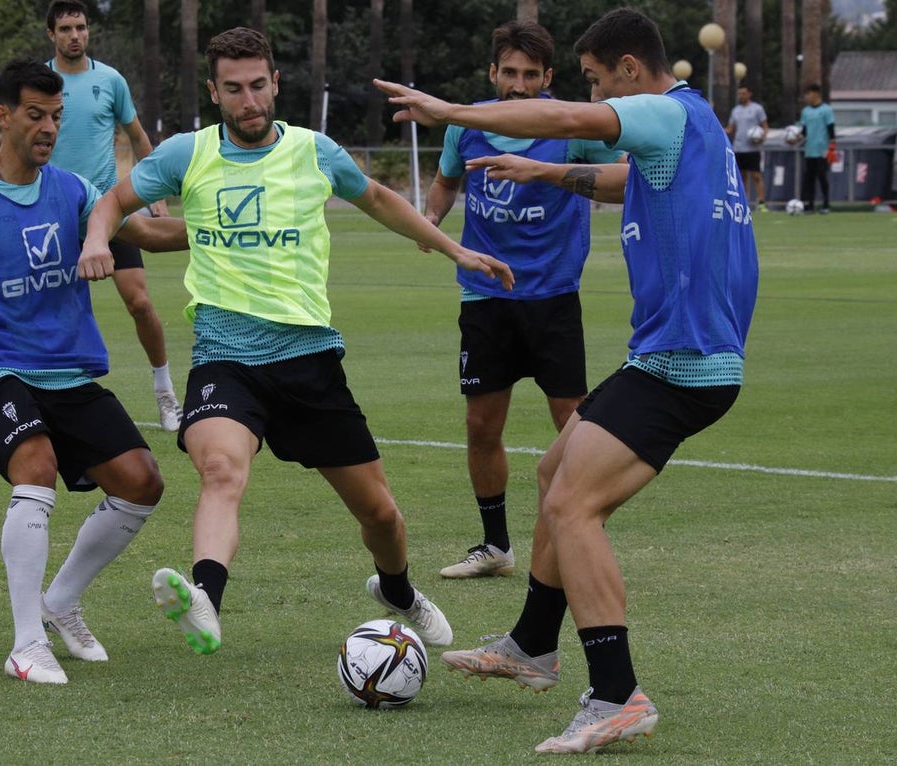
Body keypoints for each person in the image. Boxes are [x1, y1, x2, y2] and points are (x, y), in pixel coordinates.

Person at [376, 6, 758, 754]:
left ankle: (617, 692)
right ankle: (531, 646)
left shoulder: (658, 110)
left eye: (594, 79)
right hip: (670, 355)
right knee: (555, 469)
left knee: (574, 504)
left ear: (625, 69)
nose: (591, 93)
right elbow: (627, 179)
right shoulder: (693, 125)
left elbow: (563, 114)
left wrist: (454, 110)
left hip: (685, 360)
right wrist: (549, 170)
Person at [80, 27, 513, 657]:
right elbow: (113, 202)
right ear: (214, 92)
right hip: (225, 355)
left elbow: (382, 198)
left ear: (276, 84)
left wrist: (454, 247)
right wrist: (99, 240)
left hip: (309, 359)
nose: (248, 100)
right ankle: (204, 598)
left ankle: (397, 590)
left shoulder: (315, 152)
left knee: (383, 517)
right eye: (234, 89)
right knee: (221, 470)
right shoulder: (186, 153)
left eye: (258, 85)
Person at [0, 58, 187, 685]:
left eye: (55, 116)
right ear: (4, 116)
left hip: (66, 370)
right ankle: (26, 645)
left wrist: (220, 228)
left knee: (141, 482)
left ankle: (60, 602)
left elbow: (145, 236)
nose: (48, 127)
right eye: (35, 115)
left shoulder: (74, 191)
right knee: (37, 465)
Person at [422, 20, 622, 580]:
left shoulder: (572, 126)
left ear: (548, 78)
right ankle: (495, 546)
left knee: (575, 429)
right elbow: (445, 181)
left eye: (530, 74)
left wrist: (564, 175)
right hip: (485, 296)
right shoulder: (467, 126)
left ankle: (575, 535)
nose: (518, 83)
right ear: (493, 74)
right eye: (508, 72)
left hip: (554, 297)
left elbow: (620, 173)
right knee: (482, 425)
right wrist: (431, 218)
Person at [45, 0, 183, 430]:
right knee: (48, 307)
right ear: (52, 34)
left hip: (109, 210)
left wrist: (156, 192)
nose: (75, 35)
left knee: (140, 303)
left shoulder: (110, 80)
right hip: (51, 211)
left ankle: (165, 394)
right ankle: (44, 399)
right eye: (66, 28)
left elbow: (139, 137)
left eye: (81, 27)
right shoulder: (41, 83)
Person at [791, 83, 836, 214]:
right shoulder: (806, 111)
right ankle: (809, 205)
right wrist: (796, 138)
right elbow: (804, 131)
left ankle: (826, 204)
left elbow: (831, 129)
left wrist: (832, 147)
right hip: (810, 150)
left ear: (816, 94)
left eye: (809, 94)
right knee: (809, 179)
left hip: (822, 149)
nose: (807, 97)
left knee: (822, 177)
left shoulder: (826, 110)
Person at [726, 85, 769, 212]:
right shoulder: (735, 110)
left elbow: (765, 126)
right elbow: (730, 128)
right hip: (738, 148)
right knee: (742, 177)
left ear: (749, 94)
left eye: (744, 93)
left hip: (753, 148)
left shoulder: (757, 109)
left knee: (756, 176)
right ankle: (744, 203)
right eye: (739, 93)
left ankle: (761, 203)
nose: (741, 96)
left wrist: (762, 137)